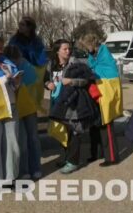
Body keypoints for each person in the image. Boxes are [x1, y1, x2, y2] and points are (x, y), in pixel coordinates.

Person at [45, 39, 94, 174]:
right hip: (57, 103)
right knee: (62, 132)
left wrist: (71, 81)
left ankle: (73, 162)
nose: (68, 51)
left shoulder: (75, 63)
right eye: (65, 49)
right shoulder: (51, 64)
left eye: (69, 48)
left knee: (73, 131)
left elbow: (85, 80)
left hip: (72, 103)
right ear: (57, 51)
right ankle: (67, 158)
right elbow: (45, 79)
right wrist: (48, 84)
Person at [76, 21, 122, 167]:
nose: (85, 50)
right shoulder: (93, 55)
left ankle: (112, 157)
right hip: (98, 92)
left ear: (92, 43)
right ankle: (96, 153)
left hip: (106, 93)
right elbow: (92, 70)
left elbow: (101, 71)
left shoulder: (103, 53)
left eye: (86, 46)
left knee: (106, 125)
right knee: (95, 125)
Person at [0, 32, 21, 203]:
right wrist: (3, 79)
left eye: (0, 48)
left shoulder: (5, 61)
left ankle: (10, 178)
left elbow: (15, 82)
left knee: (13, 144)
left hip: (10, 108)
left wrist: (15, 79)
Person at [3, 45, 42, 180]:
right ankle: (25, 170)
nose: (16, 63)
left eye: (17, 60)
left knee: (31, 139)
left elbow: (33, 80)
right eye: (13, 60)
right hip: (17, 108)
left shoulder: (25, 66)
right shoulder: (4, 67)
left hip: (27, 107)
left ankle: (35, 168)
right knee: (23, 141)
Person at [8, 16, 47, 111]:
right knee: (21, 93)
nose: (19, 27)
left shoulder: (37, 41)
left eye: (22, 25)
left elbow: (41, 55)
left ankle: (32, 110)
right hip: (20, 69)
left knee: (33, 96)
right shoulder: (15, 39)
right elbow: (10, 53)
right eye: (19, 24)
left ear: (30, 27)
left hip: (34, 70)